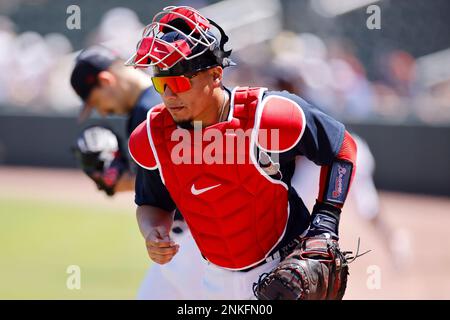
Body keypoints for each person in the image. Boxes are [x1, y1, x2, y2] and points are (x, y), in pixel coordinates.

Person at [127, 6, 358, 300]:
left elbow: (342, 147)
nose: (169, 95)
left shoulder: (268, 115)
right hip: (213, 279)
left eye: (180, 82)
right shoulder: (152, 136)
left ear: (215, 74)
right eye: (161, 83)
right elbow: (152, 203)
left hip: (284, 273)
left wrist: (326, 221)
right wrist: (152, 231)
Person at [70, 45, 205, 299]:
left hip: (190, 242)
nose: (102, 111)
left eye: (97, 102)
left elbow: (176, 178)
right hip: (182, 240)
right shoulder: (154, 102)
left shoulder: (149, 111)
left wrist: (113, 179)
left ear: (106, 80)